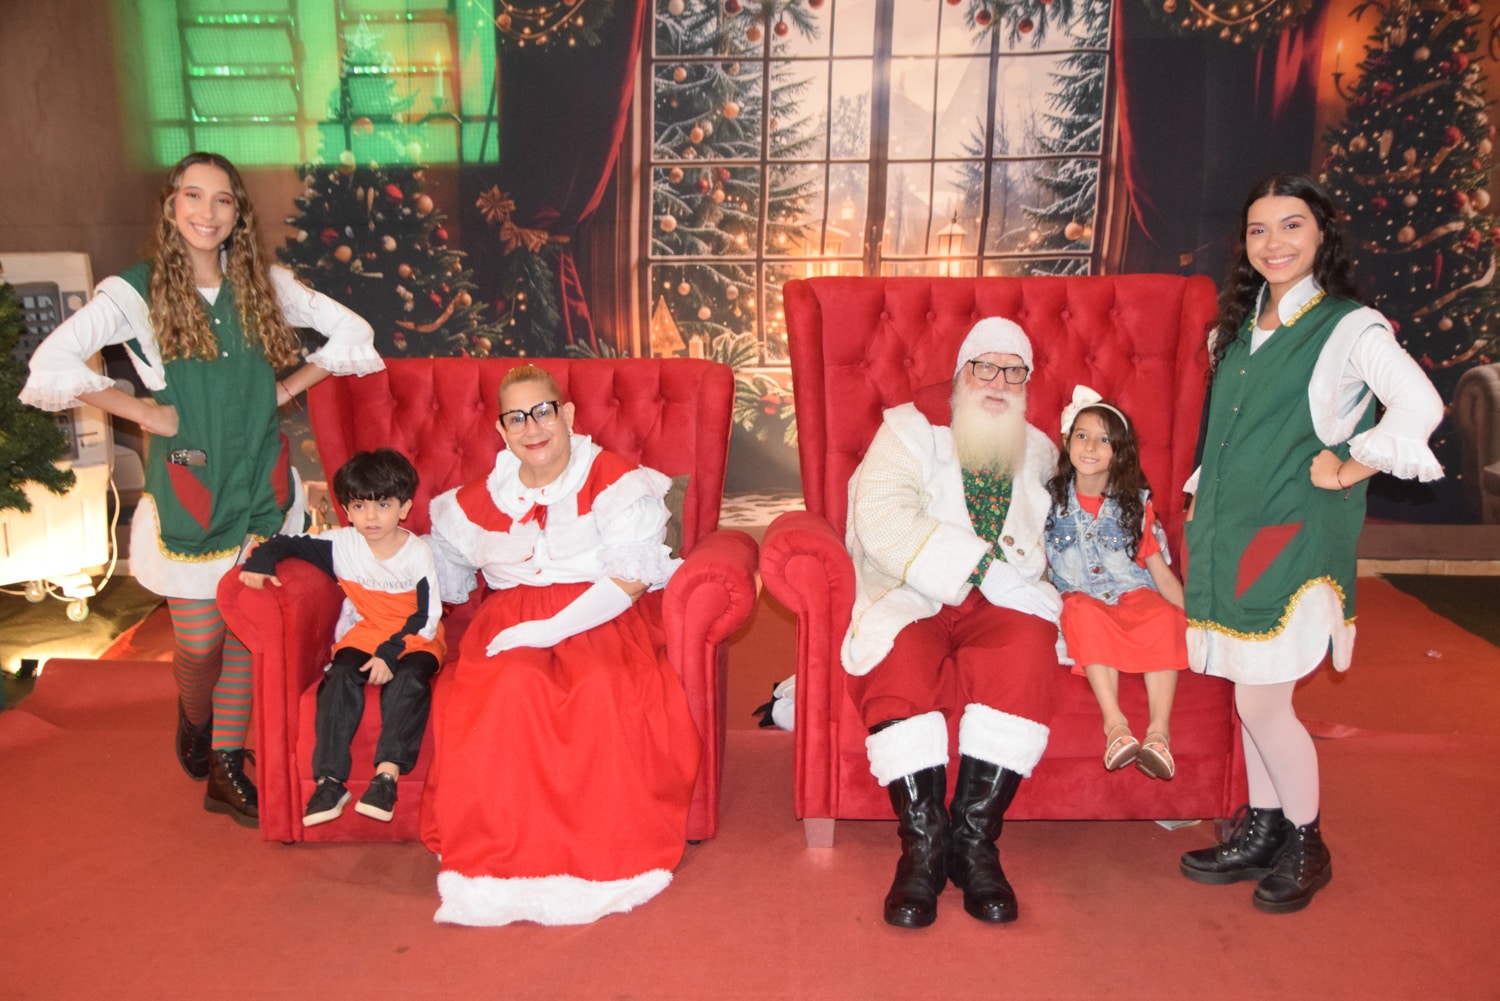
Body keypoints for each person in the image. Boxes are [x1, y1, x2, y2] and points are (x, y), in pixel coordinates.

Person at [20, 152, 383, 827]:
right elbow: (52, 360)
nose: (207, 213)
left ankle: (224, 765)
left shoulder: (263, 284)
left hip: (259, 481)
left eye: (222, 200)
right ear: (171, 206)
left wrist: (285, 388)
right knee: (199, 643)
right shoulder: (135, 291)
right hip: (190, 485)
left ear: (238, 213)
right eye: (193, 196)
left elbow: (352, 331)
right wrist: (143, 410)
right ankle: (195, 714)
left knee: (244, 628)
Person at [1178, 172, 1443, 913]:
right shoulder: (1239, 326)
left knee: (1263, 700)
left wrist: (1353, 463)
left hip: (1292, 535)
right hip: (1233, 531)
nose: (1274, 243)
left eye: (1291, 225)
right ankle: (1265, 829)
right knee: (1249, 690)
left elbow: (1421, 403)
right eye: (1259, 229)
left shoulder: (1350, 327)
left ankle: (1305, 839)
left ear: (1322, 234)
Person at [420, 364, 700, 927]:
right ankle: (506, 862)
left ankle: (599, 857)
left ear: (567, 415)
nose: (532, 428)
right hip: (510, 618)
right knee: (507, 689)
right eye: (516, 418)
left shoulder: (615, 481)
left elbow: (631, 579)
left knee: (600, 690)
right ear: (501, 431)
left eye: (543, 411)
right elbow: (437, 567)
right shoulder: (477, 499)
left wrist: (552, 629)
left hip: (602, 613)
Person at [841, 317, 1063, 929]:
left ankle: (973, 846)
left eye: (1013, 371)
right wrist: (979, 567)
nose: (998, 382)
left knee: (1028, 648)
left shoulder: (1040, 451)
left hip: (1001, 603)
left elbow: (1068, 527)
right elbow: (881, 520)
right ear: (962, 372)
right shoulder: (907, 431)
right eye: (985, 367)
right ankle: (923, 850)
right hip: (914, 588)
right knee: (899, 661)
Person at [238, 448, 444, 826]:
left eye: (383, 505)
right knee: (340, 675)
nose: (371, 516)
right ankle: (330, 781)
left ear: (404, 508)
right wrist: (260, 562)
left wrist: (389, 653)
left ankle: (386, 777)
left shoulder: (417, 552)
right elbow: (284, 543)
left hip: (416, 637)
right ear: (347, 511)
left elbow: (426, 615)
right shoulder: (340, 545)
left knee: (410, 678)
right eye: (360, 506)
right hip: (366, 632)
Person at [1044, 387, 1188, 780]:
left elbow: (1159, 573)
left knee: (1164, 617)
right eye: (1082, 435)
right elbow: (1037, 564)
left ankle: (1158, 735)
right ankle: (1116, 728)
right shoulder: (1048, 502)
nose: (1090, 447)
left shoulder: (1134, 505)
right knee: (1081, 612)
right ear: (1067, 442)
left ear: (1119, 452)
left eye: (1104, 440)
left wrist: (1196, 618)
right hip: (1083, 598)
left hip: (1133, 593)